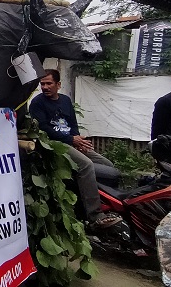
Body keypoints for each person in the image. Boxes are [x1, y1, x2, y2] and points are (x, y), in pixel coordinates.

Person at [29, 69, 122, 229]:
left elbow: (72, 124)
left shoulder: (65, 100)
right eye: (42, 84)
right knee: (86, 165)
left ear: (58, 84)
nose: (45, 87)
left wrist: (78, 140)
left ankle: (111, 206)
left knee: (107, 165)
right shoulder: (37, 103)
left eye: (49, 83)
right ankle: (95, 216)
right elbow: (43, 130)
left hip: (70, 141)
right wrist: (71, 139)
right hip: (54, 145)